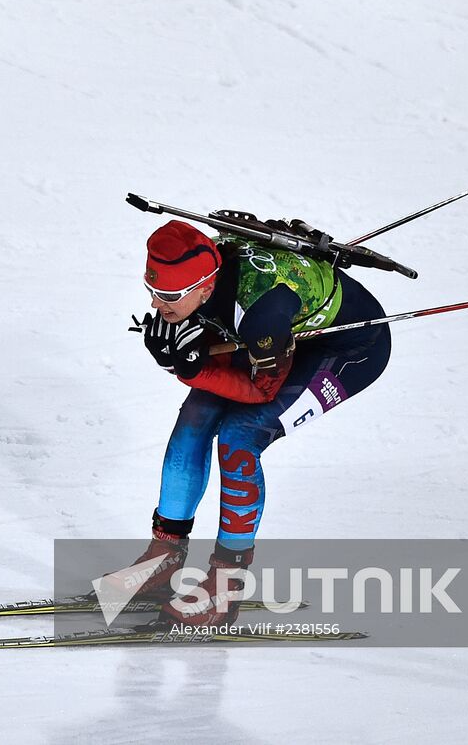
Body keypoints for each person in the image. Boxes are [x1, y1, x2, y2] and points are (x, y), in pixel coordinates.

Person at [129, 219, 392, 629]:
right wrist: (182, 358)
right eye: (152, 290)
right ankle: (164, 556)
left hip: (347, 347)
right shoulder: (202, 279)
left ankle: (226, 583)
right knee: (193, 421)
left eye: (167, 295)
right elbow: (208, 345)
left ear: (202, 288)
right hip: (275, 337)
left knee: (240, 436)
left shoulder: (259, 314)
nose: (155, 305)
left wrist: (189, 370)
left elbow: (260, 391)